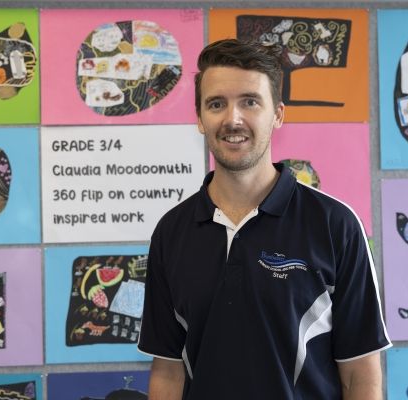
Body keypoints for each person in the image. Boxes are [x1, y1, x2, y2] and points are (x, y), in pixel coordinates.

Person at [137, 39, 392, 399]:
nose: (232, 119)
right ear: (199, 118)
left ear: (278, 114)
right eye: (216, 104)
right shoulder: (172, 232)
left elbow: (360, 375)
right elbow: (168, 372)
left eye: (250, 102)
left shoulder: (336, 225)